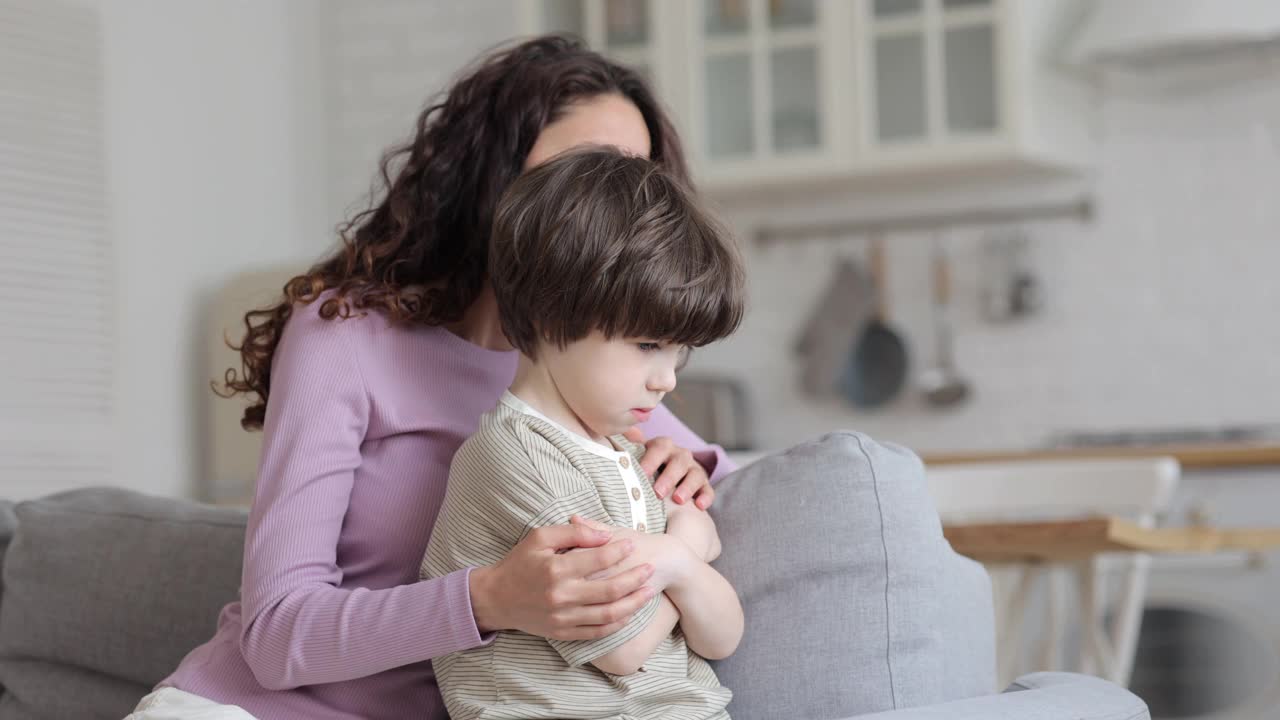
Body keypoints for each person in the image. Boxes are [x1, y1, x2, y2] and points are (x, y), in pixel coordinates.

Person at [128, 35, 735, 720]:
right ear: (491, 174)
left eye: (635, 174)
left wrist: (687, 472)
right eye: (581, 168)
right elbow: (276, 637)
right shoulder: (345, 334)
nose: (613, 207)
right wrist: (488, 598)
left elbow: (728, 476)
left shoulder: (595, 373)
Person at [421, 147, 745, 720]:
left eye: (677, 352)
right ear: (552, 317)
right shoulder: (514, 455)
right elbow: (623, 647)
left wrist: (676, 566)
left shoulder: (627, 455)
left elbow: (722, 640)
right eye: (647, 346)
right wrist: (685, 551)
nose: (667, 379)